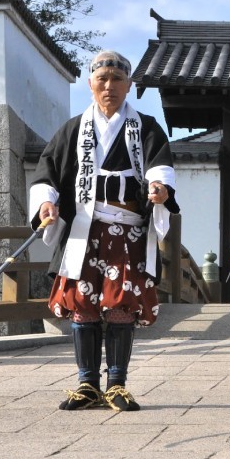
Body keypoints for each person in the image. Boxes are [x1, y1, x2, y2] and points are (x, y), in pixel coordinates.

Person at [30, 50, 179, 412]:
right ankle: (86, 383)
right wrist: (46, 202)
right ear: (90, 84)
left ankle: (116, 384)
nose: (109, 86)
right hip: (86, 229)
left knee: (120, 305)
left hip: (126, 231)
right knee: (82, 304)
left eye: (116, 79)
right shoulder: (72, 130)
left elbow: (160, 166)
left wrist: (159, 188)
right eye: (102, 79)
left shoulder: (145, 127)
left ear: (129, 85)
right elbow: (47, 171)